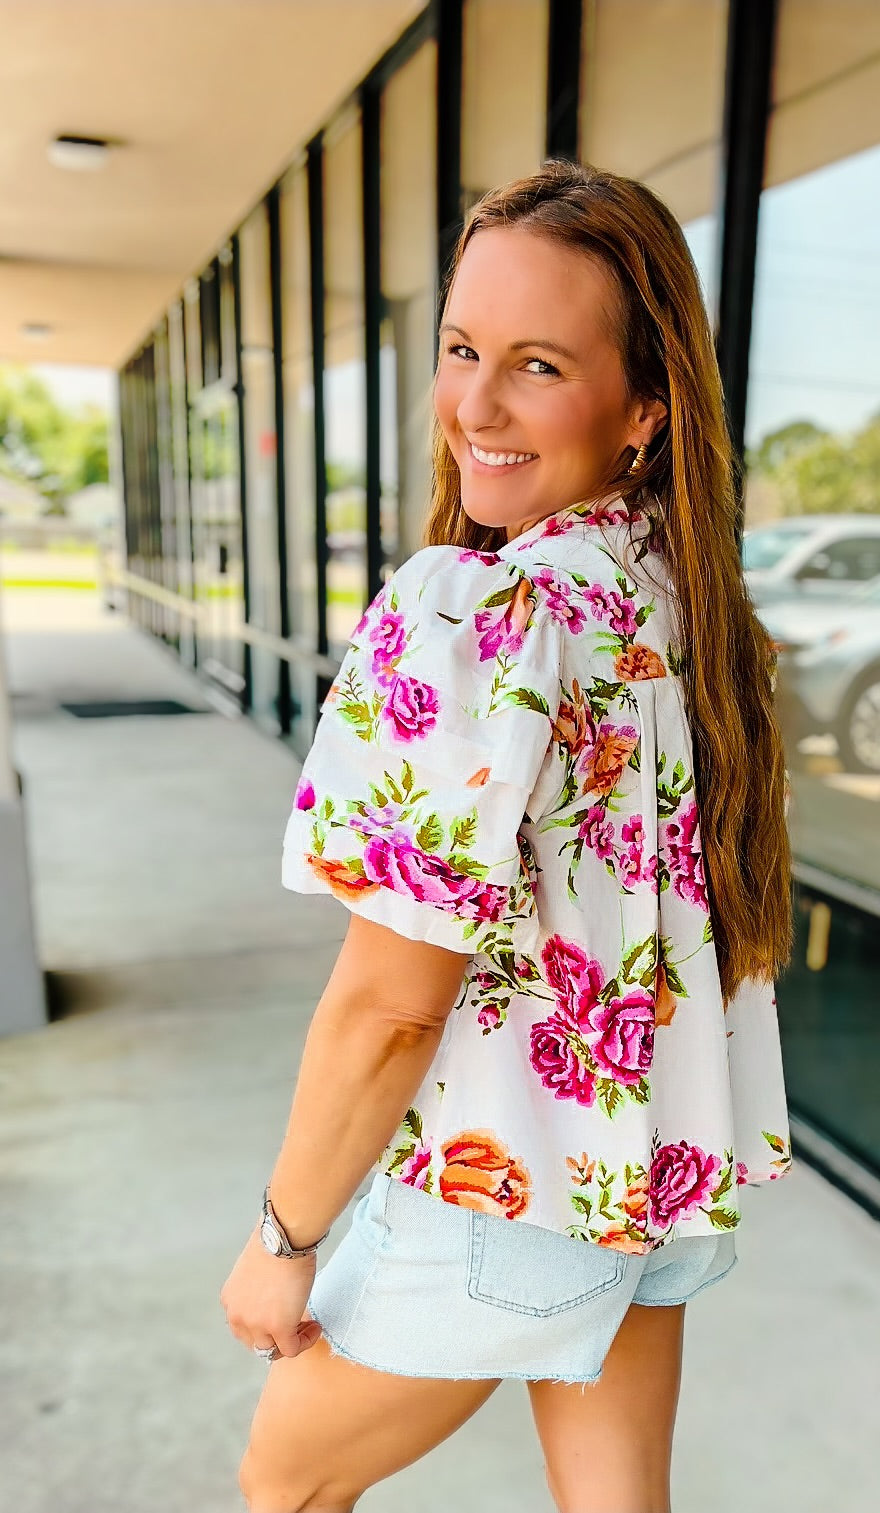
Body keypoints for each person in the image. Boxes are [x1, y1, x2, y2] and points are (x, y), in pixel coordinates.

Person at [221, 160, 794, 1513]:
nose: (473, 404)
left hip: (501, 1188)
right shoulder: (679, 598)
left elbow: (386, 1006)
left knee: (283, 1487)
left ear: (642, 407)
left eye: (536, 364)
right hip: (643, 1175)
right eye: (462, 347)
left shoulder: (482, 610)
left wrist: (282, 1236)